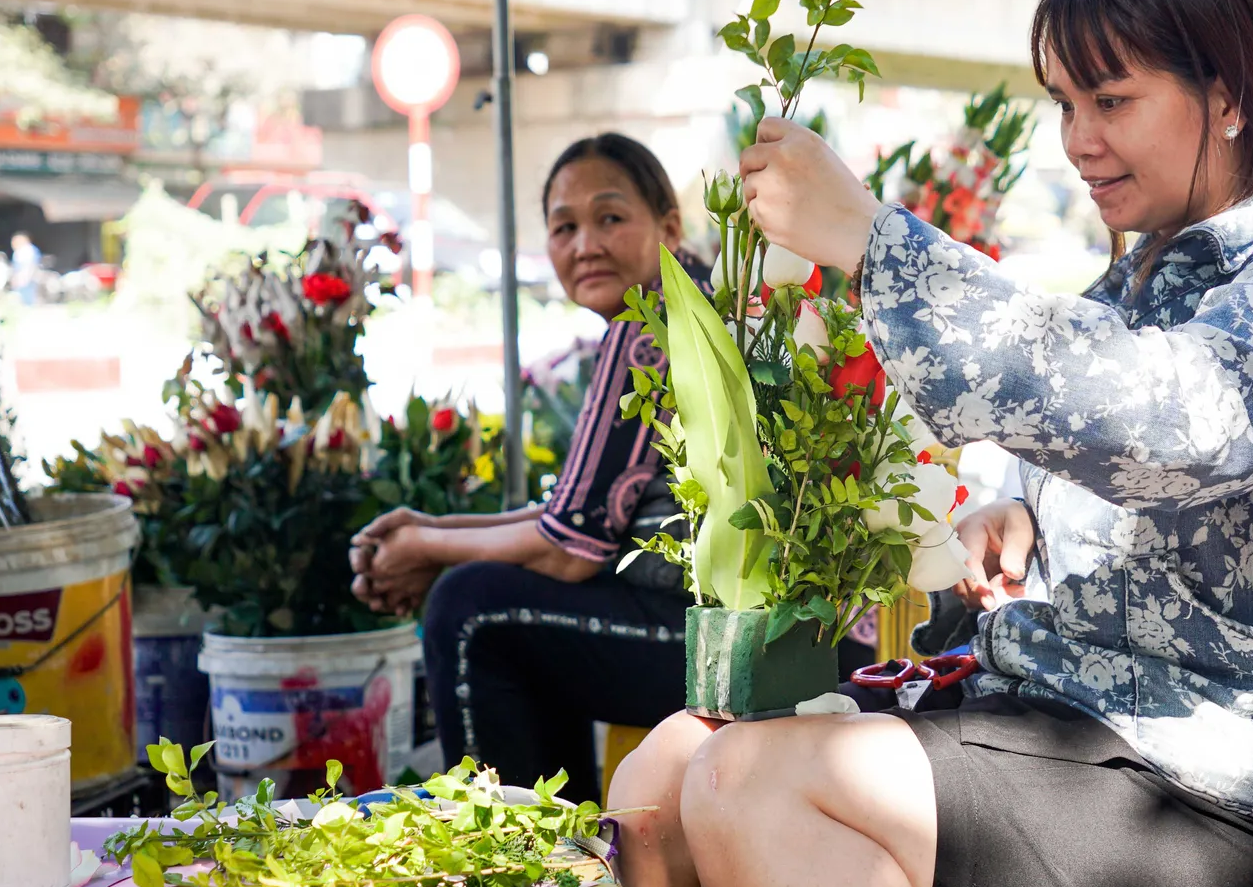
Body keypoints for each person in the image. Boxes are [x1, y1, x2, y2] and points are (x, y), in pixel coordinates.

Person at [610, 0, 1253, 887]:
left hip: (1237, 789)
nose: (1078, 142)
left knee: (749, 783)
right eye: (1065, 103)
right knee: (659, 780)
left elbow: (1171, 425)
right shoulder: (1139, 281)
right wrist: (1030, 522)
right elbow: (1138, 462)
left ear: (1229, 97)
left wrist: (877, 244)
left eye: (1113, 100)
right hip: (1086, 721)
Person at [348, 133, 875, 805]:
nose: (585, 244)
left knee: (474, 611)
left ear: (670, 226)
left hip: (744, 645)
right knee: (498, 599)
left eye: (610, 218)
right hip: (796, 636)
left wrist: (425, 548)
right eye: (564, 227)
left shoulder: (656, 319)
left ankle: (518, 867)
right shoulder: (700, 300)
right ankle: (570, 853)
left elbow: (569, 552)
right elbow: (578, 518)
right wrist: (429, 530)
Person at [9, 232, 41, 305]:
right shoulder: (18, 251)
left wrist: (25, 277)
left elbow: (30, 266)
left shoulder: (28, 250)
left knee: (28, 297)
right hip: (21, 278)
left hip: (27, 278)